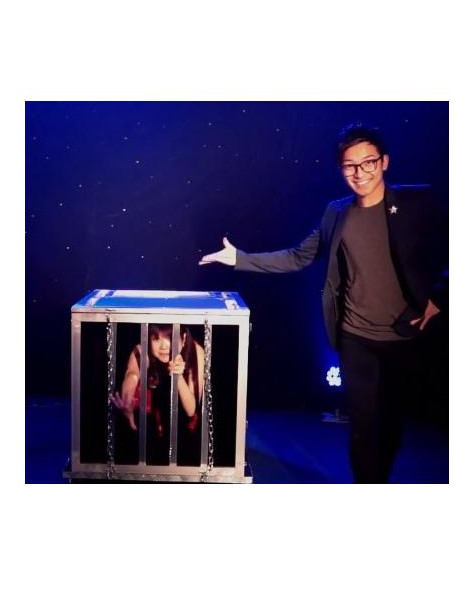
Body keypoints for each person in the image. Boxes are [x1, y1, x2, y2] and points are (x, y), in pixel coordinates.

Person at [199, 123, 448, 483]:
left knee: (390, 423)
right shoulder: (337, 213)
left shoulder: (414, 205)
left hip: (403, 335)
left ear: (384, 162)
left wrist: (439, 296)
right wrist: (239, 258)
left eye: (368, 163)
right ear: (341, 169)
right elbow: (298, 256)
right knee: (362, 425)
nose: (360, 173)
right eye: (350, 166)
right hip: (355, 336)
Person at [111, 324, 205, 465]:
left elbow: (191, 409)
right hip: (151, 430)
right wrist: (127, 401)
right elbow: (132, 375)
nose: (163, 346)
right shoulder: (142, 350)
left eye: (170, 337)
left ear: (184, 338)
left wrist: (178, 376)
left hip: (184, 431)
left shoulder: (195, 351)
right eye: (156, 338)